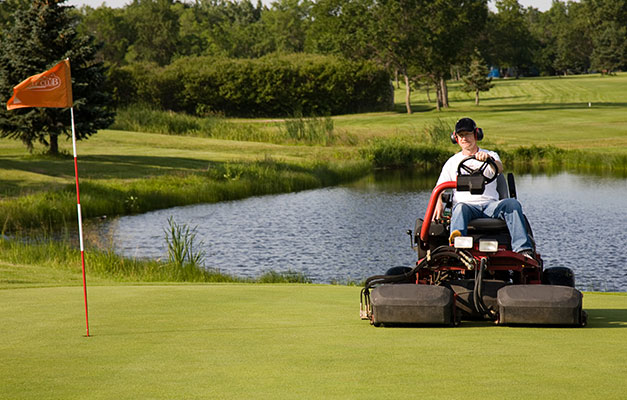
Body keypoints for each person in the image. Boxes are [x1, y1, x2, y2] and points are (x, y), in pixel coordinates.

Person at [433, 117, 536, 260]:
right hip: (466, 207)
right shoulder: (452, 162)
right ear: (455, 138)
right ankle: (458, 248)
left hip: (490, 206)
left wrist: (488, 160)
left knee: (512, 204)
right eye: (460, 136)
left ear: (476, 135)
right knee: (460, 208)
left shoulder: (491, 155)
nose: (464, 138)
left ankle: (523, 250)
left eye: (467, 134)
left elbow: (500, 168)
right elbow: (439, 188)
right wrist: (438, 202)